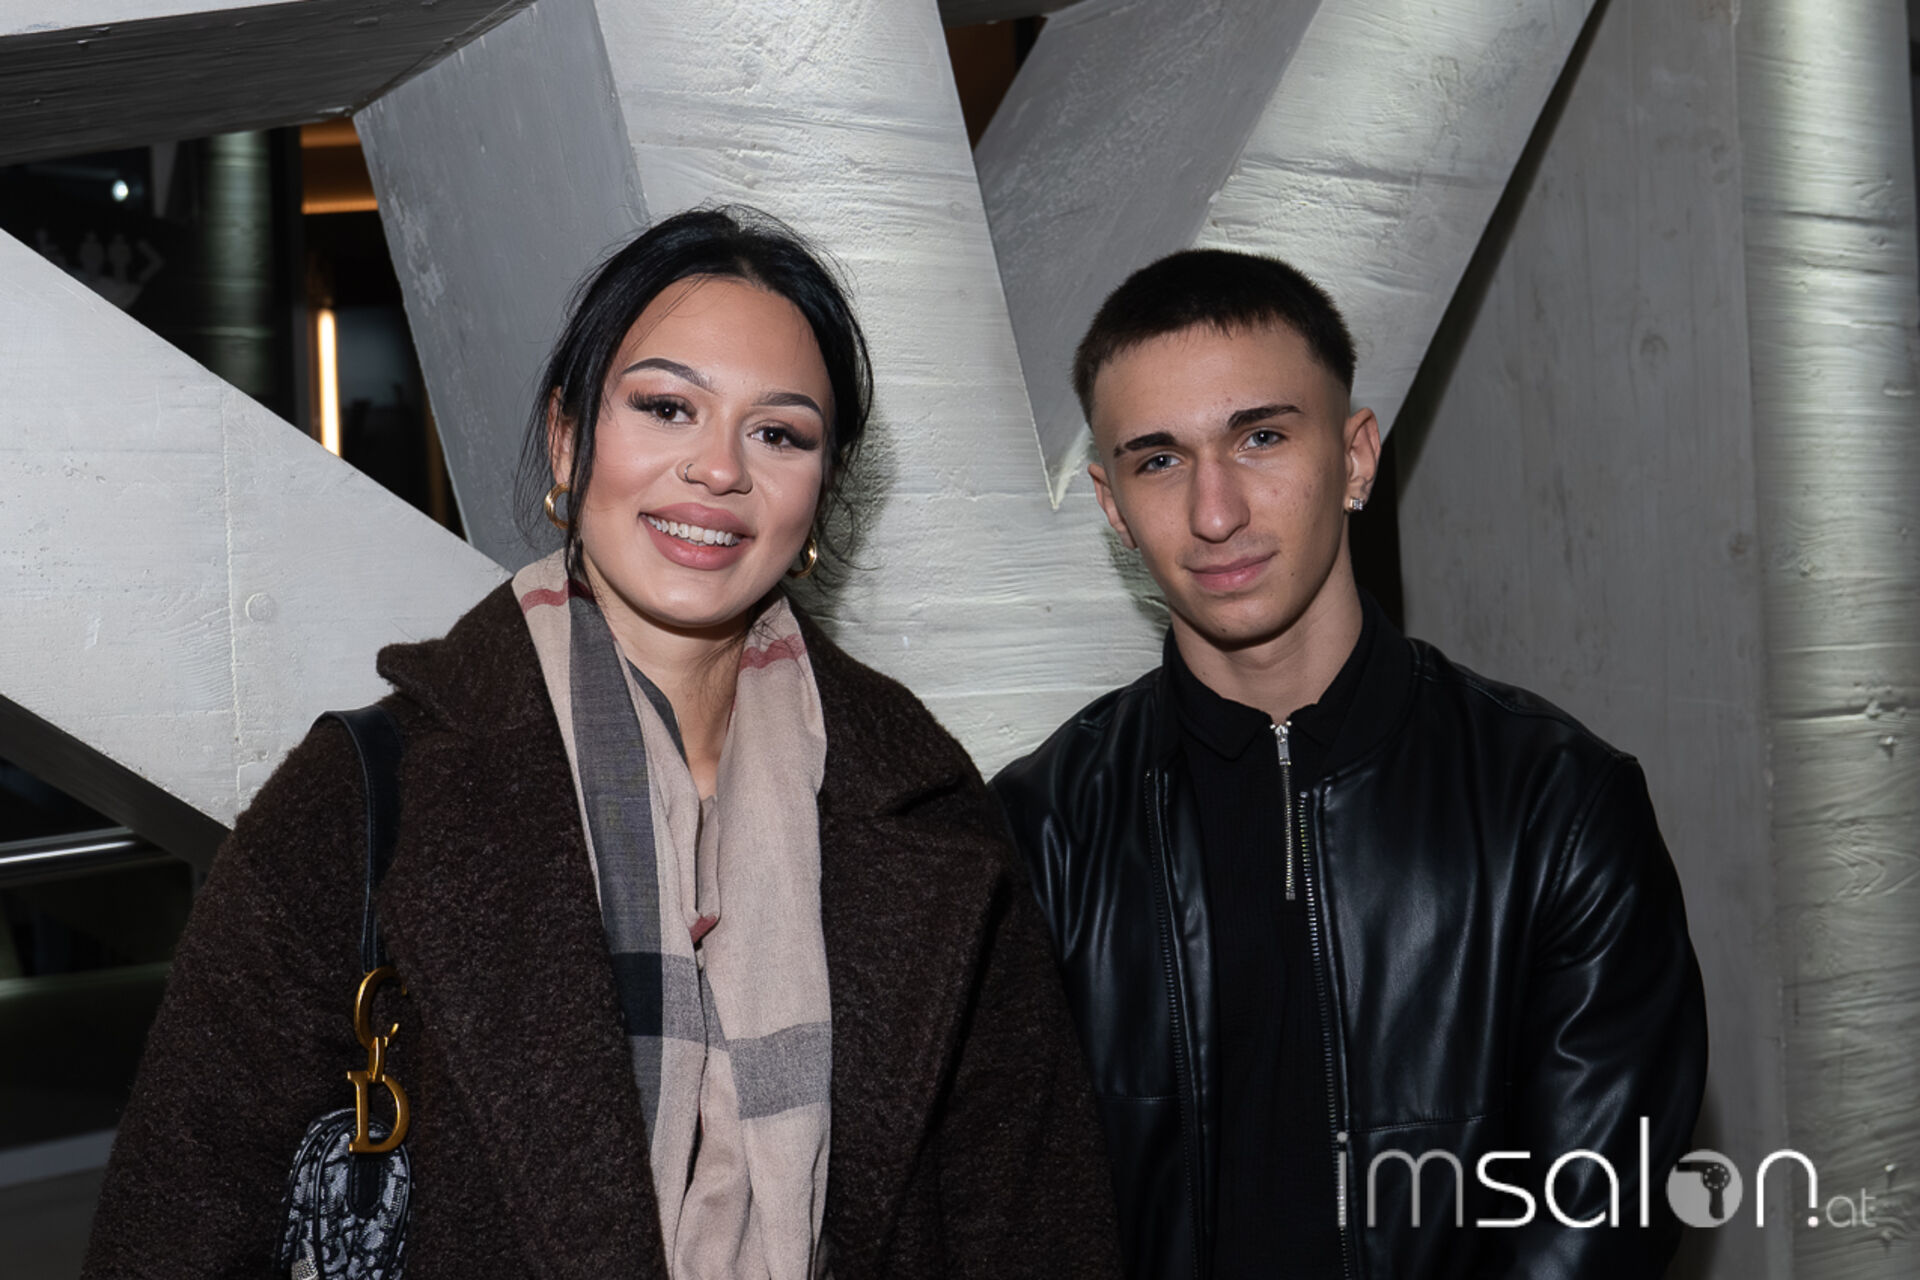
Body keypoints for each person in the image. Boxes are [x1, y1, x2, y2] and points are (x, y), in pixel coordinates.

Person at [83, 207, 1119, 1280]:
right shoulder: (368, 798)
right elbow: (173, 1230)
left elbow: (1033, 1226)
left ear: (822, 492)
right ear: (570, 439)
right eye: (667, 407)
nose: (718, 469)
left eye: (779, 433)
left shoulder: (922, 805)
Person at [991, 249, 1708, 1278]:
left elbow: (1601, 1213)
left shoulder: (1554, 804)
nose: (1215, 512)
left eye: (1261, 437)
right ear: (1113, 506)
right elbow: (1007, 1214)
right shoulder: (1039, 829)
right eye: (1158, 461)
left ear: (1357, 456)